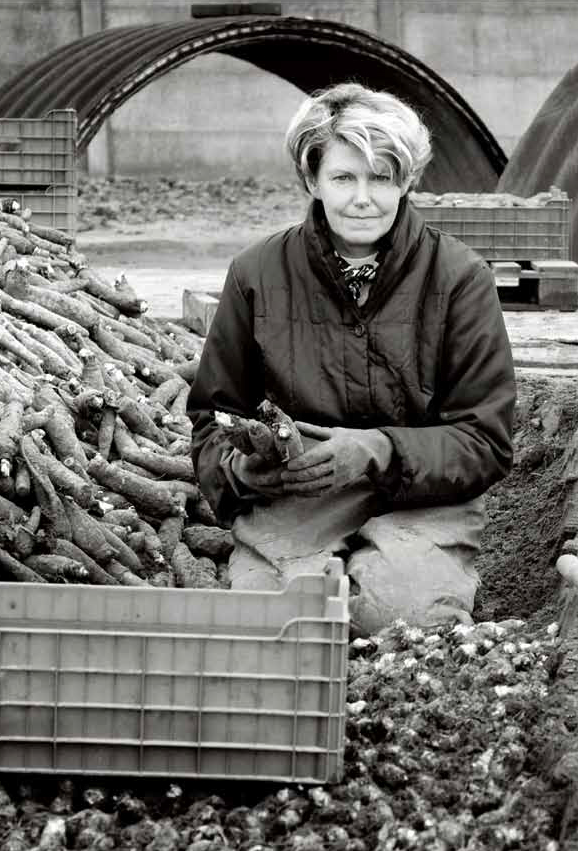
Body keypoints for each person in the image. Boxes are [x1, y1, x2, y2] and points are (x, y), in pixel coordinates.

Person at [188, 82, 515, 634]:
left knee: (396, 619)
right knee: (276, 626)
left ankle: (403, 574)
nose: (362, 198)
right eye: (343, 177)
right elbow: (212, 420)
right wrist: (245, 469)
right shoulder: (257, 274)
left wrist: (378, 449)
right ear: (312, 180)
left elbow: (486, 441)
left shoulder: (459, 279)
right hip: (301, 496)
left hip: (423, 497)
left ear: (406, 180)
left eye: (380, 178)